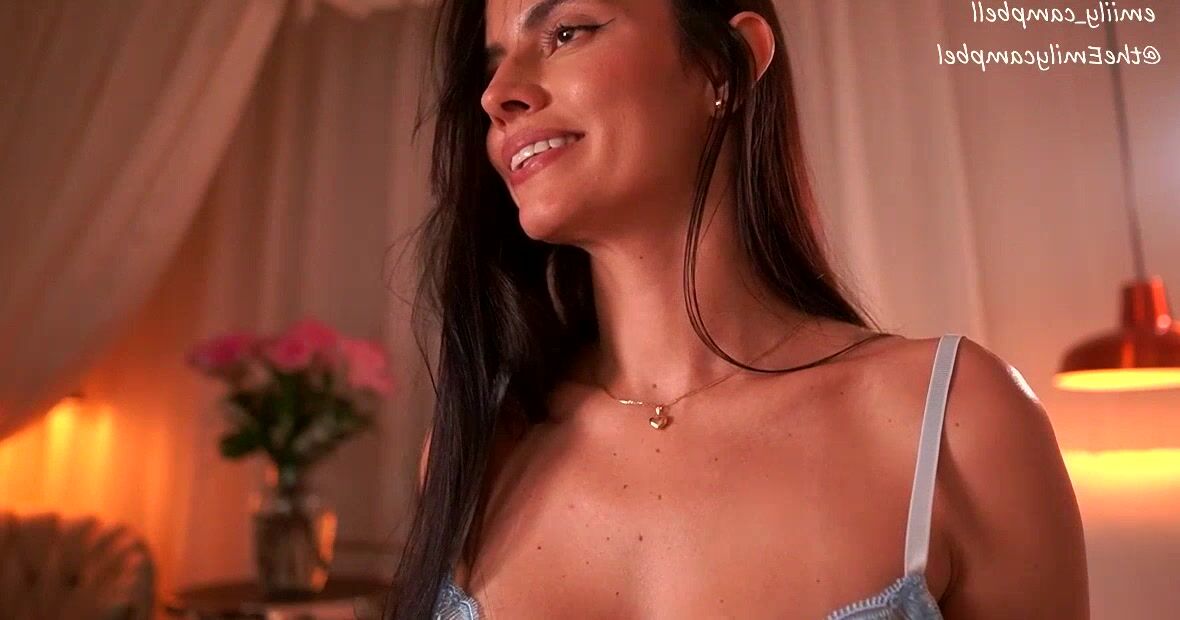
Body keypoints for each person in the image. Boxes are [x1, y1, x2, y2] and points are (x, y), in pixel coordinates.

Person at [388, 0, 1089, 618]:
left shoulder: (957, 424)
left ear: (725, 66)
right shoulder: (479, 450)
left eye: (567, 33)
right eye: (492, 67)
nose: (497, 95)